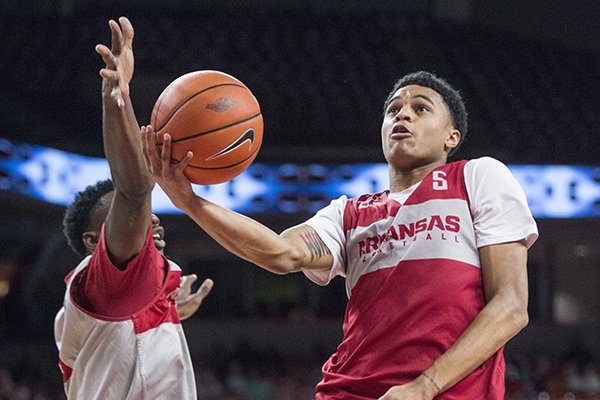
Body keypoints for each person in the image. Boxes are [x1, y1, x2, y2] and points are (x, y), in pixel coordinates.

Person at [143, 70, 538, 399]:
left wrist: (423, 387)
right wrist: (190, 202)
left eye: (420, 109)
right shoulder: (349, 213)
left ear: (452, 137)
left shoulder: (476, 176)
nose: (403, 116)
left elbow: (510, 305)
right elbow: (281, 254)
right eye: (393, 110)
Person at [54, 17, 213, 399]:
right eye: (132, 218)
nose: (151, 219)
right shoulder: (105, 281)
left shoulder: (121, 294)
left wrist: (170, 304)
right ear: (96, 242)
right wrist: (117, 97)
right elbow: (135, 189)